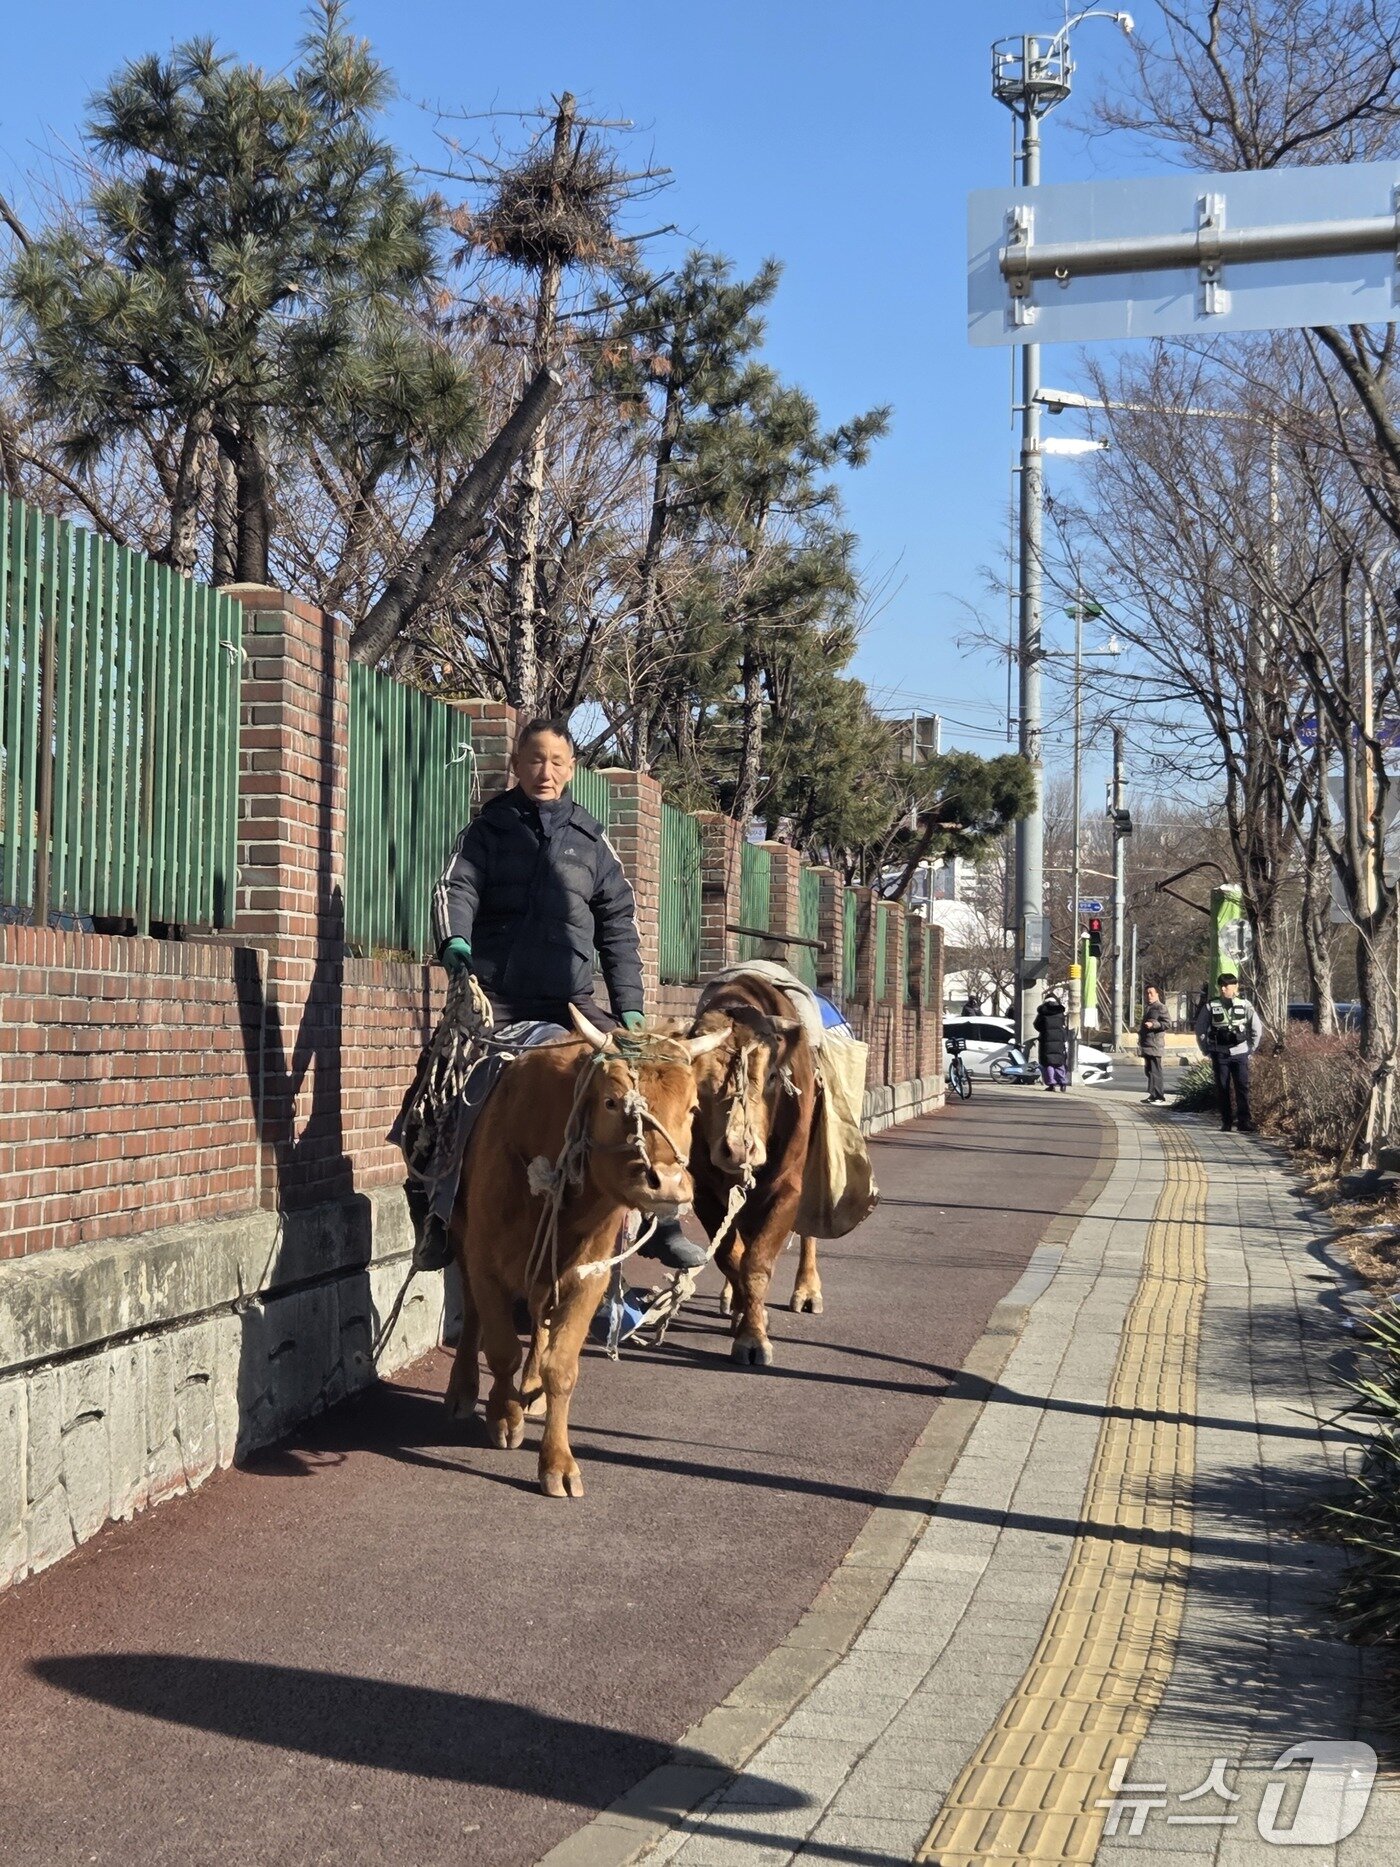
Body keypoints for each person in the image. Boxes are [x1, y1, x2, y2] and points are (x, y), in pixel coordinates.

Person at [416, 715, 705, 1273]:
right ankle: (433, 1209)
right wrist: (454, 939)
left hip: (573, 1003)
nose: (544, 771)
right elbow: (458, 887)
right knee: (441, 1083)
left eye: (556, 762)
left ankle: (665, 1219)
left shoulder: (592, 842)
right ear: (515, 766)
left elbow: (619, 925)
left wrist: (632, 1009)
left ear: (571, 770)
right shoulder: (486, 831)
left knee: (646, 1085)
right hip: (495, 998)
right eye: (533, 760)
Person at [1194, 971, 1264, 1133]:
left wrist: (1250, 1049)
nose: (1224, 989)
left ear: (1235, 986)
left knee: (1242, 1087)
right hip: (1219, 1053)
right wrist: (1206, 1050)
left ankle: (1244, 1121)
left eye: (1227, 985)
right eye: (1221, 986)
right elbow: (1200, 1029)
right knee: (1223, 1088)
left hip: (1240, 1053)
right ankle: (1226, 1122)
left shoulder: (1245, 1005)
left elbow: (1256, 1029)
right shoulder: (1211, 1006)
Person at [1034, 992, 1071, 1092]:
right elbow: (1063, 1026)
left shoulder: (1043, 1012)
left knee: (1048, 1063)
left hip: (1046, 1040)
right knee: (1059, 1062)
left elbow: (1037, 1025)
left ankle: (1052, 1084)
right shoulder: (1060, 1012)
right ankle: (1063, 1083)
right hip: (1059, 1040)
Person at [1138, 985, 1169, 1104]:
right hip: (1147, 1044)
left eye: (1151, 993)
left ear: (1157, 994)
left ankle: (1159, 1096)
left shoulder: (1160, 1007)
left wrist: (1154, 1025)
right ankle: (1152, 1094)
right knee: (1149, 1071)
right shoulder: (1148, 1008)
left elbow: (1167, 1023)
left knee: (1156, 1071)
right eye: (1147, 993)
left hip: (1155, 1045)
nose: (1148, 995)